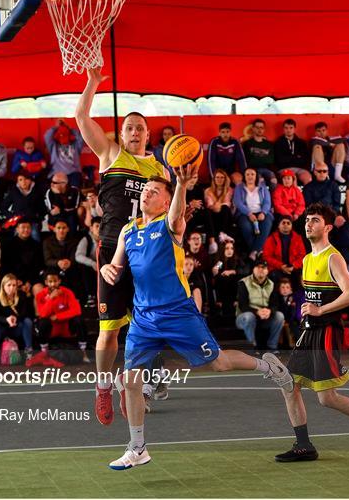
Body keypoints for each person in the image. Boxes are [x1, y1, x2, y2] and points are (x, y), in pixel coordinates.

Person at [100, 169, 293, 470]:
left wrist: (179, 184)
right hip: (143, 318)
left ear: (165, 202)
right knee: (130, 381)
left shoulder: (171, 224)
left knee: (218, 363)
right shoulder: (128, 230)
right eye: (145, 189)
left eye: (154, 191)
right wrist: (107, 270)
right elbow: (115, 265)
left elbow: (178, 211)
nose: (147, 193)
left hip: (178, 312)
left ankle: (269, 366)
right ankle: (137, 448)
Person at [75, 68, 169, 425]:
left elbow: (165, 212)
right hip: (113, 247)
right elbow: (81, 117)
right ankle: (102, 387)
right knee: (109, 330)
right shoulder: (110, 153)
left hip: (147, 252)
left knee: (148, 324)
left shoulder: (160, 169)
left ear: (147, 134)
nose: (133, 132)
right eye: (128, 127)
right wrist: (94, 82)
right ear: (123, 133)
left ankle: (137, 387)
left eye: (139, 128)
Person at [274, 202, 349, 463]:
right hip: (310, 331)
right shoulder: (306, 259)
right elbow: (313, 298)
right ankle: (304, 445)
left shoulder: (333, 257)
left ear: (327, 227)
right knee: (289, 385)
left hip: (327, 331)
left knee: (326, 398)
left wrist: (320, 310)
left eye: (315, 220)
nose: (308, 224)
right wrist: (308, 311)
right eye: (307, 220)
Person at [29, 268, 88, 365]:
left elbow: (77, 310)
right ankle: (44, 352)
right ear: (46, 282)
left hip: (67, 327)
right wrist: (51, 299)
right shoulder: (40, 295)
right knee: (43, 322)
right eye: (50, 281)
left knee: (79, 320)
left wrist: (58, 316)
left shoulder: (67, 292)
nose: (53, 284)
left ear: (59, 281)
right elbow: (43, 314)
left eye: (55, 281)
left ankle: (83, 352)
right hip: (52, 329)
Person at [235, 257, 285, 354]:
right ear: (253, 269)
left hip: (264, 317)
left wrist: (270, 311)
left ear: (267, 271)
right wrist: (257, 312)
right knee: (249, 316)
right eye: (258, 267)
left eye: (264, 267)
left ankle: (272, 347)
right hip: (244, 317)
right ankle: (252, 347)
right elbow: (242, 305)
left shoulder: (272, 284)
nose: (261, 270)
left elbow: (275, 304)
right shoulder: (243, 282)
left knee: (279, 316)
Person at [0, 273, 34, 366]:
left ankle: (29, 352)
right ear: (3, 286)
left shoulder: (21, 295)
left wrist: (15, 318)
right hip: (2, 328)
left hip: (16, 327)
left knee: (27, 321)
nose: (11, 288)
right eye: (8, 285)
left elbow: (25, 313)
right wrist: (6, 319)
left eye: (14, 285)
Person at [233, 167, 274, 260]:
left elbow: (267, 202)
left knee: (267, 224)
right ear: (244, 176)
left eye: (252, 174)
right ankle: (258, 251)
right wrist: (249, 213)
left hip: (262, 211)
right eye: (247, 174)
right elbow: (238, 202)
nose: (250, 176)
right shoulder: (239, 187)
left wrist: (263, 213)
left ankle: (254, 251)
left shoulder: (262, 187)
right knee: (246, 227)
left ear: (256, 176)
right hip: (245, 213)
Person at [0, 218, 44, 298]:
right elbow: (5, 265)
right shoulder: (8, 245)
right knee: (11, 288)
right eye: (23, 227)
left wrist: (29, 282)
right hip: (13, 278)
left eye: (28, 228)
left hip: (32, 279)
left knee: (39, 290)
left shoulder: (36, 245)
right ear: (17, 229)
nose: (26, 230)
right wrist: (15, 280)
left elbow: (38, 266)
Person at [262, 215, 306, 284]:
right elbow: (266, 256)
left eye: (288, 223)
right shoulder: (271, 238)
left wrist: (294, 266)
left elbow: (302, 256)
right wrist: (281, 266)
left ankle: (298, 295)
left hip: (293, 267)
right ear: (278, 226)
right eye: (283, 223)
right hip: (276, 268)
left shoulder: (298, 238)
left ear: (291, 226)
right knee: (274, 276)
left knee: (302, 276)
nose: (286, 225)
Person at [45, 119, 84, 188]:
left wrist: (70, 128)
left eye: (65, 135)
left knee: (74, 189)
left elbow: (81, 137)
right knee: (56, 189)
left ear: (69, 136)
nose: (63, 137)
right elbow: (47, 137)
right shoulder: (54, 146)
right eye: (61, 135)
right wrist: (56, 127)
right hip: (57, 172)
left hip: (73, 173)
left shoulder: (75, 145)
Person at [241, 118, 277, 190]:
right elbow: (248, 160)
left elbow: (270, 160)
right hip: (253, 170)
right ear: (253, 129)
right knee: (261, 181)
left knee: (274, 181)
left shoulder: (269, 144)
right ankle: (262, 200)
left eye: (261, 127)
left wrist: (256, 158)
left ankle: (272, 199)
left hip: (267, 169)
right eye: (257, 127)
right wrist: (263, 157)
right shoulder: (247, 144)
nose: (259, 129)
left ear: (264, 129)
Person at [273, 119, 311, 185]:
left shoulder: (301, 143)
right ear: (283, 129)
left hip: (300, 169)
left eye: (291, 128)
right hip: (284, 169)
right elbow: (279, 160)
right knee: (292, 180)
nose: (288, 130)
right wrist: (296, 157)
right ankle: (294, 195)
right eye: (286, 128)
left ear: (294, 129)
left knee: (308, 179)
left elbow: (305, 159)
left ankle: (305, 195)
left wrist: (288, 158)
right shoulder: (278, 143)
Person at [75, 216, 101, 307]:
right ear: (91, 228)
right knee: (84, 268)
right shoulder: (86, 239)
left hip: (103, 266)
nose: (99, 229)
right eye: (97, 226)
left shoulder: (106, 239)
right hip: (91, 267)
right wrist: (93, 264)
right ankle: (90, 296)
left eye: (102, 226)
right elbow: (78, 256)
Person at [204, 169, 234, 241]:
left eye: (222, 177)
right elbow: (209, 204)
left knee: (225, 208)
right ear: (214, 179)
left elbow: (227, 203)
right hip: (212, 214)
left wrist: (218, 204)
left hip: (225, 213)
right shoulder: (208, 190)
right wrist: (217, 204)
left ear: (225, 179)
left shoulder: (229, 189)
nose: (219, 179)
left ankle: (223, 234)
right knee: (207, 211)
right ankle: (212, 238)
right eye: (217, 177)